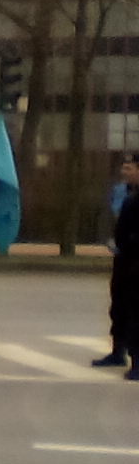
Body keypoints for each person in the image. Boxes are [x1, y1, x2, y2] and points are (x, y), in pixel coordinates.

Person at [93, 152, 139, 377]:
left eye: (130, 169)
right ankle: (118, 350)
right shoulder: (123, 193)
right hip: (124, 259)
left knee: (136, 311)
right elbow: (114, 220)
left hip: (135, 258)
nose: (125, 172)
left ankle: (137, 360)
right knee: (119, 305)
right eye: (124, 168)